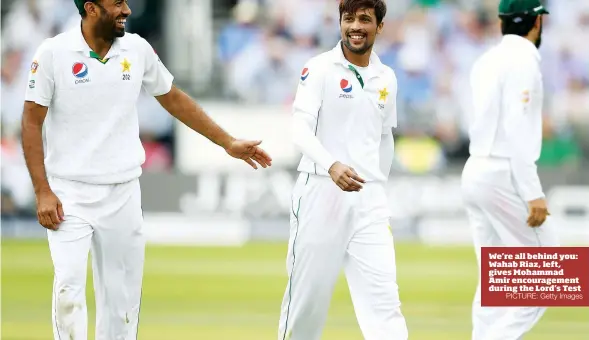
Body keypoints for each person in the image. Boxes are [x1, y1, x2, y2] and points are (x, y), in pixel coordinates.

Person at [21, 1, 272, 339]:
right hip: (69, 193)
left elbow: (174, 99)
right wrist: (43, 191)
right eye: (117, 4)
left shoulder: (136, 49)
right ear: (92, 9)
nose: (126, 9)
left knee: (121, 301)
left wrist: (227, 142)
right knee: (68, 289)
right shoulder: (53, 52)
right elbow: (31, 121)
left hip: (123, 191)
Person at [276, 1, 408, 339]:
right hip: (321, 192)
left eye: (365, 19)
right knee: (306, 303)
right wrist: (332, 165)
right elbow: (299, 130)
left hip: (369, 202)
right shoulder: (319, 68)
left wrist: (378, 185)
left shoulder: (386, 77)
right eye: (348, 19)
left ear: (380, 26)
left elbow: (384, 137)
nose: (355, 27)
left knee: (385, 304)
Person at [462, 0, 559, 339]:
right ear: (536, 24)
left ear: (503, 23)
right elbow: (517, 129)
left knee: (496, 283)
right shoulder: (524, 61)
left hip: (475, 168)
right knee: (548, 278)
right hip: (504, 173)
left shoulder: (486, 60)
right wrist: (532, 191)